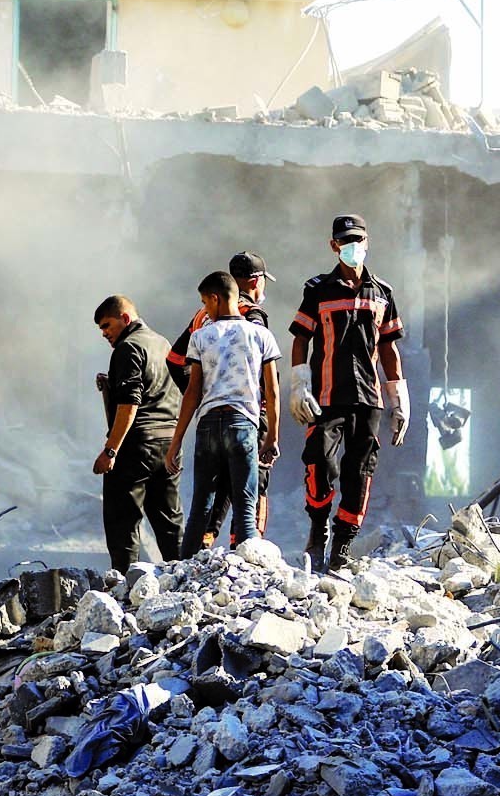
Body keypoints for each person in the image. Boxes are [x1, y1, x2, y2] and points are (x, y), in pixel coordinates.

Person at [288, 214, 410, 573]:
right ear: (334, 246)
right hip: (326, 398)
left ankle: (343, 542)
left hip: (368, 399)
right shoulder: (317, 290)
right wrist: (299, 384)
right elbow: (301, 338)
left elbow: (388, 348)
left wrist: (398, 400)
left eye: (358, 240)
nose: (353, 247)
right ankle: (317, 528)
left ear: (368, 242)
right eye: (345, 241)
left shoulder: (383, 293)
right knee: (319, 462)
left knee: (360, 470)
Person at [165, 272, 281, 559]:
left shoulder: (201, 337)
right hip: (243, 425)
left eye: (205, 303)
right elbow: (272, 392)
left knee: (201, 505)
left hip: (207, 426)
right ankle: (249, 567)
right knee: (245, 502)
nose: (204, 309)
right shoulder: (262, 335)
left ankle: (185, 567)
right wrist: (272, 437)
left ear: (216, 299)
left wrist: (176, 442)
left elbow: (192, 392)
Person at [93, 294, 184, 572]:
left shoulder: (128, 347)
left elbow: (131, 404)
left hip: (136, 447)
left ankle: (124, 589)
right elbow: (166, 390)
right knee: (170, 524)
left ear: (125, 318)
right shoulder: (162, 343)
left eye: (107, 326)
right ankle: (182, 580)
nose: (105, 334)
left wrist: (111, 450)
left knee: (123, 522)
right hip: (168, 442)